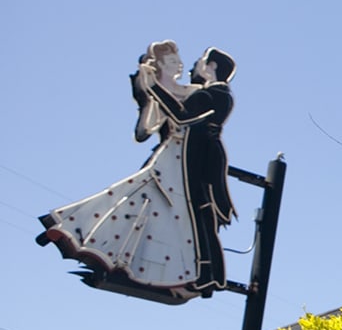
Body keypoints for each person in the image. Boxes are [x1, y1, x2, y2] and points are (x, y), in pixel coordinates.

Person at [38, 42, 205, 299]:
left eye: (178, 61)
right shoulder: (162, 93)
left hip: (185, 158)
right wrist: (149, 94)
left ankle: (153, 270)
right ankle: (79, 233)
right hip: (170, 156)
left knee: (167, 216)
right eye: (172, 61)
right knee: (145, 206)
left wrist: (155, 90)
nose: (180, 65)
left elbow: (188, 116)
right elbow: (144, 131)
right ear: (159, 65)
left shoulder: (193, 92)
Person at [145, 47, 237, 294]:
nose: (195, 66)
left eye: (201, 62)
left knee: (201, 215)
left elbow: (181, 115)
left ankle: (207, 274)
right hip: (203, 156)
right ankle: (208, 274)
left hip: (202, 159)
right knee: (201, 216)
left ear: (212, 67)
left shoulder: (212, 94)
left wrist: (153, 87)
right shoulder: (216, 93)